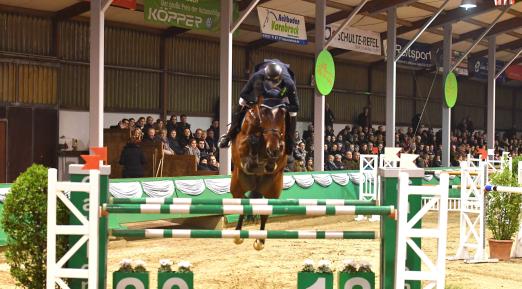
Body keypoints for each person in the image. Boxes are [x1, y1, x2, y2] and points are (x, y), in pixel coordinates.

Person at [217, 59, 299, 155]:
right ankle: (229, 135)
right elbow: (244, 94)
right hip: (262, 91)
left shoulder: (288, 83)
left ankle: (291, 144)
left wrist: (284, 106)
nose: (273, 85)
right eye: (270, 82)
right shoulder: (257, 77)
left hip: (281, 93)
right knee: (242, 102)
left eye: (275, 82)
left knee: (293, 113)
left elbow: (295, 106)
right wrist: (253, 101)